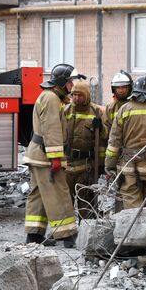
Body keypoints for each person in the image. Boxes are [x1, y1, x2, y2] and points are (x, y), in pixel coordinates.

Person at [23, 63, 78, 248]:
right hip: (46, 156)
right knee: (58, 193)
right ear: (62, 82)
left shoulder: (49, 96)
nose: (72, 86)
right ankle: (67, 235)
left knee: (38, 194)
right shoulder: (51, 98)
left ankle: (34, 235)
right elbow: (52, 129)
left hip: (38, 154)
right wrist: (55, 157)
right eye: (70, 82)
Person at [104, 74, 146, 210]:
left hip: (130, 165)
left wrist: (109, 165)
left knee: (131, 201)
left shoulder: (124, 109)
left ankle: (134, 229)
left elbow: (114, 142)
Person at [63, 81, 106, 219]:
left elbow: (105, 137)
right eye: (74, 95)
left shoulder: (96, 112)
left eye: (80, 95)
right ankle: (67, 234)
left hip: (86, 165)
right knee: (65, 202)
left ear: (86, 96)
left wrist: (100, 164)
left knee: (86, 201)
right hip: (68, 165)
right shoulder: (66, 111)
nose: (76, 98)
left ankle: (86, 231)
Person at [103, 70, 133, 135]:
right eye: (118, 88)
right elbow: (106, 131)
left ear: (129, 88)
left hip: (131, 143)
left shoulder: (135, 106)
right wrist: (101, 128)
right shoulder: (110, 108)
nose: (121, 90)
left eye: (124, 87)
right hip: (115, 144)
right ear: (114, 89)